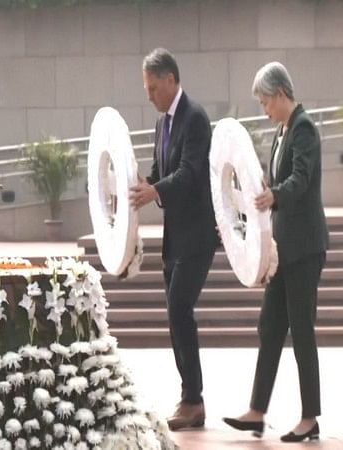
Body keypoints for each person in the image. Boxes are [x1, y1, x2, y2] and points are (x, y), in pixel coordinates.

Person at [223, 62, 329, 442]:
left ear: (282, 93)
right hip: (284, 250)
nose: (264, 108)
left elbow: (300, 180)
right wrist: (268, 185)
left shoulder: (303, 129)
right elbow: (285, 179)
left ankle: (310, 417)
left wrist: (275, 193)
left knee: (302, 332)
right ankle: (257, 410)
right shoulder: (281, 132)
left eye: (266, 101)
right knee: (270, 327)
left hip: (304, 249)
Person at [130, 48, 218, 431]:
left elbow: (190, 173)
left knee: (180, 309)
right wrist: (138, 188)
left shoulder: (194, 118)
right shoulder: (161, 124)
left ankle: (193, 400)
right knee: (174, 315)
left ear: (170, 79)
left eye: (152, 88)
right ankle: (189, 397)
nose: (148, 95)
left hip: (198, 234)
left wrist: (155, 191)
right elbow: (159, 170)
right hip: (174, 238)